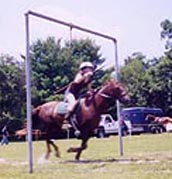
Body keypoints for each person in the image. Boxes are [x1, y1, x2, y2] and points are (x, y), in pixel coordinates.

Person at [64, 61, 94, 135]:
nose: (90, 70)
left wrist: (91, 92)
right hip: (70, 93)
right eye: (89, 68)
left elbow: (89, 89)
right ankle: (66, 121)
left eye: (91, 69)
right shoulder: (79, 75)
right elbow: (76, 82)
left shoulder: (88, 78)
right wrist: (85, 76)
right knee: (73, 104)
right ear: (83, 69)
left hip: (77, 94)